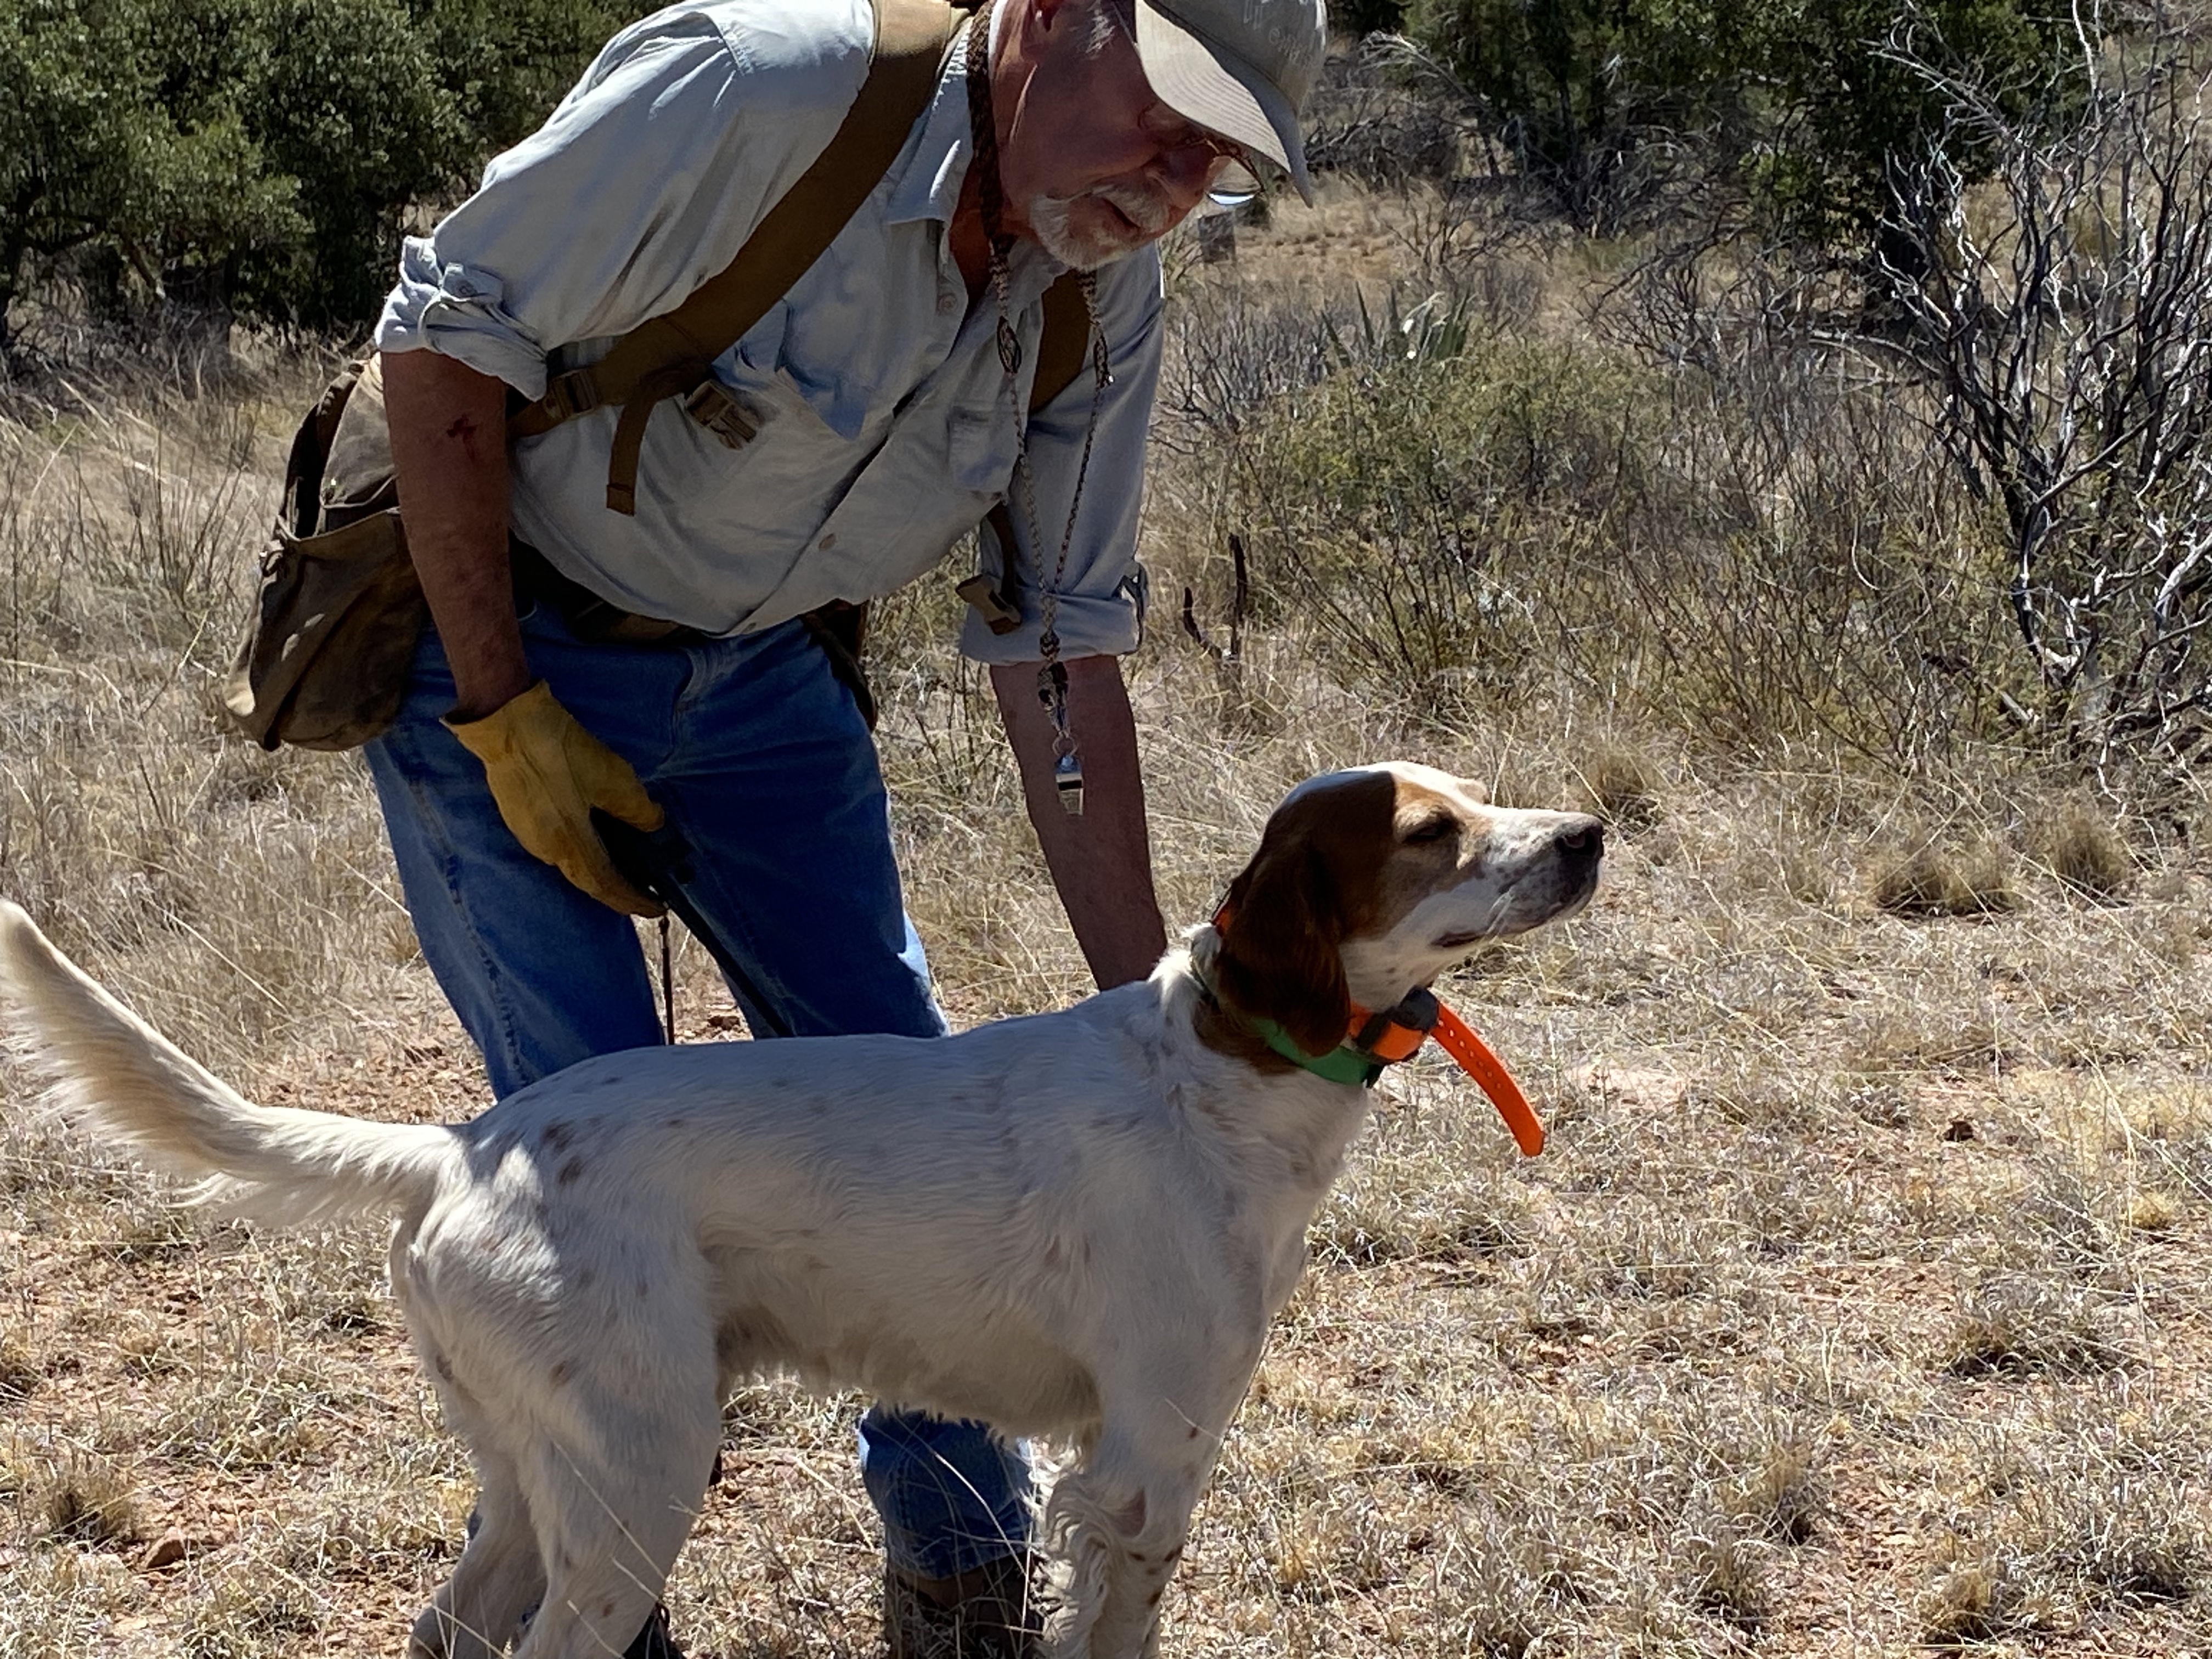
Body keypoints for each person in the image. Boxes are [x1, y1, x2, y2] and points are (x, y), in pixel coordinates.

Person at [366, 0, 1325, 1652]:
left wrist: (1177, 1040)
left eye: (1220, 163)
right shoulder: (760, 86)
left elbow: (1057, 642)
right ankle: (582, 1615)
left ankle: (959, 1580)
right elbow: (442, 343)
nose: (1173, 183)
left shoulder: (1101, 290)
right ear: (1053, 18)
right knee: (590, 1143)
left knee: (921, 1112)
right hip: (504, 644)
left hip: (762, 690)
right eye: (1167, 116)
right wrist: (507, 711)